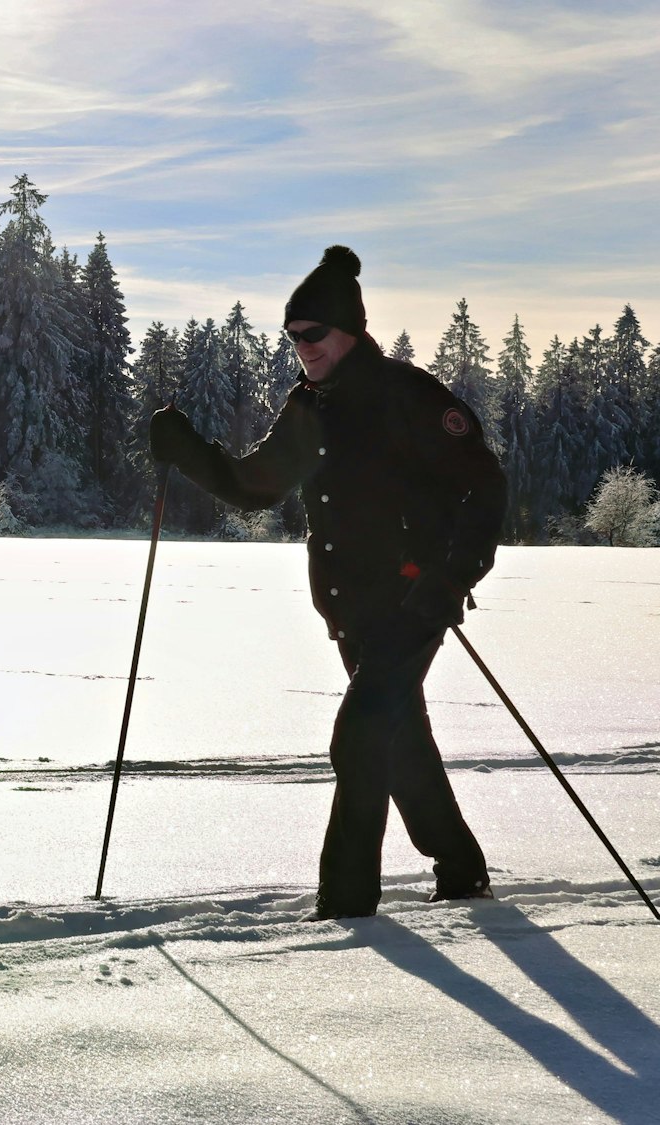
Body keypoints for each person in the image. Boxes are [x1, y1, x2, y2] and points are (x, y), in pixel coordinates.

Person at [148, 245, 503, 921]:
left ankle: (346, 906)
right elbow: (256, 485)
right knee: (399, 737)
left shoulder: (407, 396)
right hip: (350, 610)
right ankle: (462, 867)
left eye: (313, 333)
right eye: (292, 337)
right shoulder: (309, 406)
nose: (301, 347)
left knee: (360, 736)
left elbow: (484, 485)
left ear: (349, 330)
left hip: (412, 599)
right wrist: (186, 449)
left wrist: (450, 574)